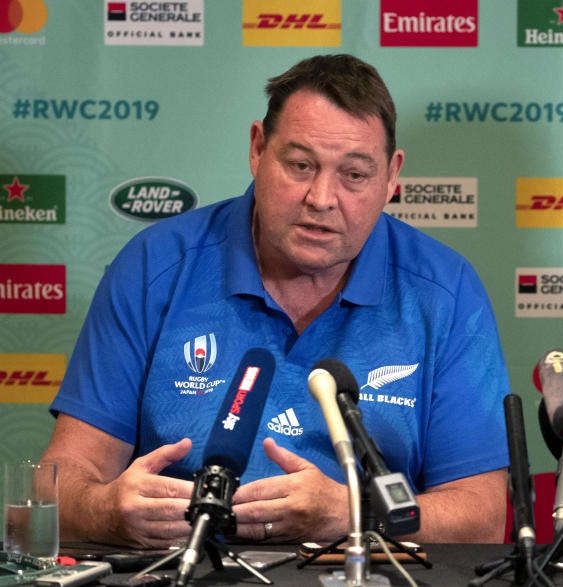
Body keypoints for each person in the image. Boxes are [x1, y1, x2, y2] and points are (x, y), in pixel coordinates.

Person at [40, 54, 510, 548]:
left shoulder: (445, 291)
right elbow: (64, 478)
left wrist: (354, 515)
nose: (322, 198)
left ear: (392, 177)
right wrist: (107, 512)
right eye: (301, 165)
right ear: (257, 150)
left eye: (354, 175)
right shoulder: (155, 266)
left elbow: (480, 513)